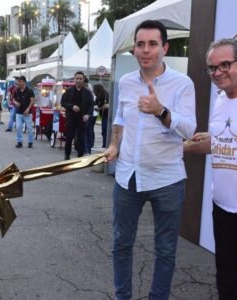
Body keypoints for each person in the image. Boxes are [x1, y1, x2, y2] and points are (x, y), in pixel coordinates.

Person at [104, 20, 196, 300]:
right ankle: (122, 296)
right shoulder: (128, 82)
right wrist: (114, 144)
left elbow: (189, 129)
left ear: (165, 48)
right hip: (127, 176)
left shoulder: (182, 84)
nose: (146, 50)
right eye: (141, 44)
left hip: (167, 179)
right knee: (121, 244)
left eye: (152, 44)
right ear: (134, 50)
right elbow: (120, 117)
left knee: (165, 249)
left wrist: (161, 110)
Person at [184, 38, 237, 299]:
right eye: (212, 68)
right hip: (222, 208)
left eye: (225, 64)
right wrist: (186, 145)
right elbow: (219, 142)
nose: (218, 72)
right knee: (226, 277)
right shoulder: (219, 100)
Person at [61, 71, 94, 159]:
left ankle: (80, 156)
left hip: (82, 119)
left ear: (83, 80)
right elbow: (63, 102)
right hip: (71, 118)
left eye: (80, 79)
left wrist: (88, 115)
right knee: (69, 138)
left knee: (81, 139)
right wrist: (72, 106)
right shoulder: (69, 91)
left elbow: (91, 105)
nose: (78, 80)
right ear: (74, 79)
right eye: (77, 78)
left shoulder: (87, 92)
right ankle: (67, 156)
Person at [13, 75, 35, 148]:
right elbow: (13, 99)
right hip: (19, 112)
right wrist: (15, 103)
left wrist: (28, 109)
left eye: (20, 81)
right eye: (18, 81)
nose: (18, 83)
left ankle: (30, 142)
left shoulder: (29, 90)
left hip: (27, 113)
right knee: (18, 127)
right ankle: (19, 142)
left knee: (29, 128)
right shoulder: (17, 90)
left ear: (24, 82)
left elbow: (32, 101)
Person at [94, 84, 109, 148]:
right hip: (103, 116)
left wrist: (99, 108)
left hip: (107, 116)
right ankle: (104, 145)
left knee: (105, 131)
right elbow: (95, 103)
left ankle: (105, 145)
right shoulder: (98, 96)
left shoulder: (106, 95)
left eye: (94, 90)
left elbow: (107, 105)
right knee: (103, 131)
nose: (93, 91)